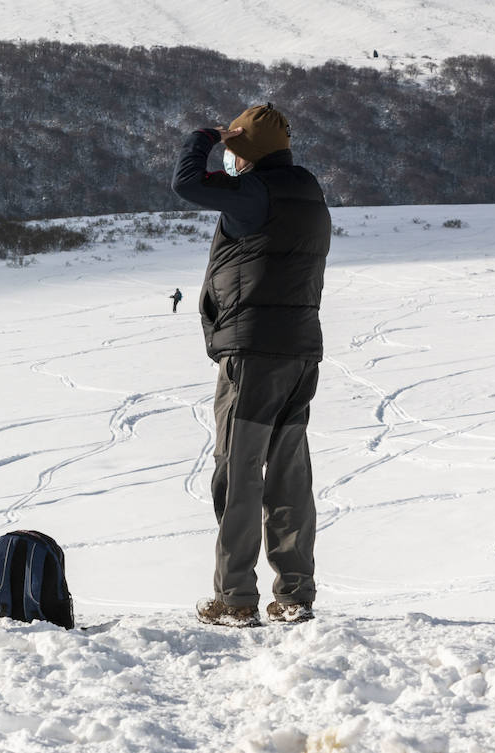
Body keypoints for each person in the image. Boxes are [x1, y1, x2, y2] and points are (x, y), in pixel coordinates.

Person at [171, 103, 330, 628]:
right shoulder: (306, 191)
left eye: (238, 151)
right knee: (289, 474)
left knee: (238, 474)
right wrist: (239, 149)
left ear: (247, 154)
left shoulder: (255, 195)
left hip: (253, 354)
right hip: (300, 351)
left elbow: (187, 184)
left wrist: (205, 137)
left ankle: (235, 596)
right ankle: (294, 594)